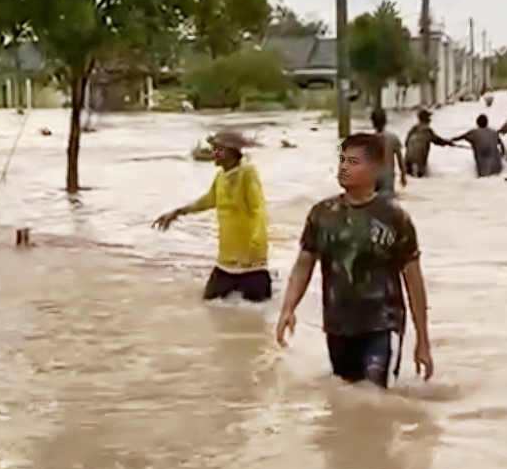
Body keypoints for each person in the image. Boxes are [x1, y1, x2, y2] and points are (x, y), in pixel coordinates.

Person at [275, 133, 435, 388]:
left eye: (352, 162)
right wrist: (288, 308)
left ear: (374, 170)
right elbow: (304, 264)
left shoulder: (394, 218)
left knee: (375, 396)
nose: (343, 167)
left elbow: (413, 280)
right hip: (338, 326)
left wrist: (423, 340)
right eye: (341, 160)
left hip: (382, 325)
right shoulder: (322, 214)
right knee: (346, 397)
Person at [153, 131, 271, 302]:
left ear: (230, 152)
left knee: (254, 312)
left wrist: (256, 240)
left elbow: (258, 209)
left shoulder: (247, 173)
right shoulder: (221, 177)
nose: (213, 153)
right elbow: (209, 200)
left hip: (251, 260)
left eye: (217, 148)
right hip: (226, 260)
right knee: (211, 304)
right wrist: (178, 212)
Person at [405, 109, 452, 178]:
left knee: (409, 175)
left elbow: (406, 142)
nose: (430, 119)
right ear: (426, 119)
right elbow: (437, 140)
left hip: (408, 156)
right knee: (421, 175)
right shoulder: (427, 130)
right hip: (419, 157)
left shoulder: (413, 129)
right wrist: (448, 142)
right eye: (429, 117)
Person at [371, 109, 406, 197]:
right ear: (385, 121)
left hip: (373, 176)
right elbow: (400, 159)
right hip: (387, 176)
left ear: (372, 123)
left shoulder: (368, 140)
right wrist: (403, 175)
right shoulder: (393, 138)